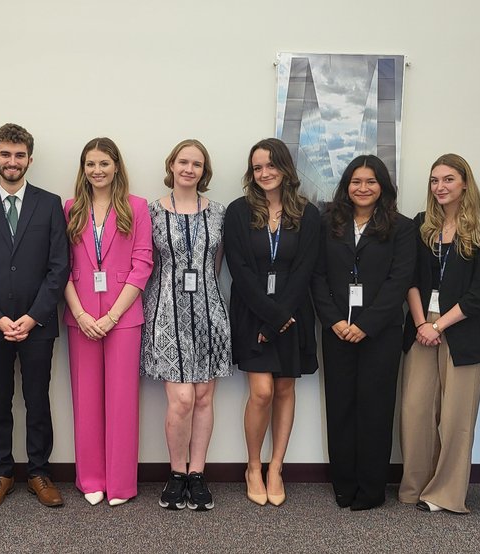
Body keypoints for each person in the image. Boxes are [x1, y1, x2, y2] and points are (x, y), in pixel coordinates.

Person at [0, 124, 70, 509]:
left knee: (37, 400)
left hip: (38, 326)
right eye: (5, 154)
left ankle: (39, 471)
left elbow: (59, 267)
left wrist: (34, 315)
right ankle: (1, 472)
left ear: (30, 159)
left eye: (19, 155)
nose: (12, 161)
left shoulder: (50, 203)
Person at [399, 153, 480, 514]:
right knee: (415, 410)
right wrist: (420, 325)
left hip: (462, 328)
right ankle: (415, 487)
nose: (439, 187)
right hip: (420, 325)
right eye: (434, 180)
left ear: (464, 184)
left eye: (447, 180)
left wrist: (438, 325)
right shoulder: (420, 226)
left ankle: (444, 493)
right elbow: (408, 280)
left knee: (456, 417)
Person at [311, 155, 415, 511]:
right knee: (340, 408)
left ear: (383, 186)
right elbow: (317, 275)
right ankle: (344, 485)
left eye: (371, 182)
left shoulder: (401, 228)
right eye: (356, 181)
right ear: (346, 186)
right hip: (336, 330)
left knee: (375, 409)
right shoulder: (328, 224)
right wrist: (335, 320)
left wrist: (366, 324)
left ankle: (371, 489)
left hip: (380, 334)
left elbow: (398, 281)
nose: (363, 188)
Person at [223, 137, 321, 507]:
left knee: (284, 391)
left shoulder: (307, 214)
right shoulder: (238, 212)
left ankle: (276, 467)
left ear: (285, 168)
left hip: (293, 314)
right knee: (261, 392)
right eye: (257, 167)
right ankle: (252, 466)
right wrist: (268, 319)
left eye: (271, 165)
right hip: (252, 313)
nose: (264, 173)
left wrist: (279, 319)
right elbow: (241, 271)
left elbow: (304, 270)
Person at [141, 139, 232, 511]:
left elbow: (217, 264)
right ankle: (176, 473)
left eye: (196, 164)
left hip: (208, 311)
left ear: (203, 171)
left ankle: (197, 474)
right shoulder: (151, 212)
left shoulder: (220, 213)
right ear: (172, 165)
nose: (189, 169)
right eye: (183, 162)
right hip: (166, 313)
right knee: (181, 400)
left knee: (204, 398)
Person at [63, 137, 153, 507]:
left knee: (122, 401)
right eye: (90, 164)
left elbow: (143, 264)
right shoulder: (70, 209)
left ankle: (120, 483)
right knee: (85, 400)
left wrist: (113, 314)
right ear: (83, 169)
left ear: (116, 166)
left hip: (124, 317)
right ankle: (91, 479)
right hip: (80, 315)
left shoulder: (137, 207)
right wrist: (82, 314)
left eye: (104, 163)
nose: (97, 170)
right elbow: (61, 268)